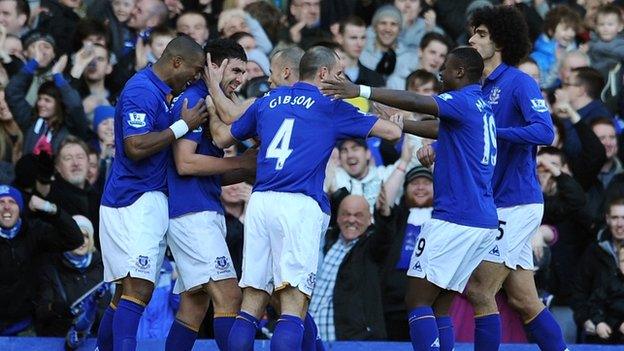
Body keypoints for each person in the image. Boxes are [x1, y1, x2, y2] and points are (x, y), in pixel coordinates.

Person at [207, 45, 401, 350]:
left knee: (252, 301)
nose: (343, 80)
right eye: (339, 74)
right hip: (299, 204)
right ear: (322, 73)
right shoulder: (330, 106)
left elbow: (225, 131)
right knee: (293, 305)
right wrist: (364, 99)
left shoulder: (268, 100)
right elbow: (392, 133)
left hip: (260, 201)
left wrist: (211, 93)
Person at [322, 45, 501, 351]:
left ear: (459, 72)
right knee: (440, 304)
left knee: (416, 299)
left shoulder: (460, 100)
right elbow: (439, 128)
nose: (440, 73)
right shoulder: (481, 105)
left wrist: (361, 90)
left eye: (445, 68)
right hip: (482, 219)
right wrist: (401, 125)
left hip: (455, 218)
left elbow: (419, 101)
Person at [95, 35, 208, 351]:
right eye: (195, 70)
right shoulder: (142, 90)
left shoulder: (156, 90)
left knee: (125, 293)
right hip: (135, 200)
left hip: (134, 199)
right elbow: (134, 146)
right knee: (140, 289)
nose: (196, 77)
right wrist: (182, 127)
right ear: (176, 62)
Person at [468, 6, 568, 351]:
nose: (472, 39)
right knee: (526, 301)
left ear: (500, 40)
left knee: (480, 290)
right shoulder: (478, 86)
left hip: (516, 202)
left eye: (481, 33)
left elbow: (544, 131)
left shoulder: (519, 81)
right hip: (493, 202)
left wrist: (495, 132)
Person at [164, 38, 256, 351]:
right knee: (230, 295)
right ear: (212, 66)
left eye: (244, 73)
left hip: (203, 207)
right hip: (191, 214)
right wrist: (239, 162)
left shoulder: (213, 101)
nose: (241, 79)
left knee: (194, 303)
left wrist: (246, 169)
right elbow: (185, 162)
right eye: (236, 70)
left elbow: (212, 171)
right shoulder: (194, 100)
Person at [0, 185, 84, 336]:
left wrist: (50, 209)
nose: (6, 207)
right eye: (1, 202)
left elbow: (75, 239)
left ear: (20, 208)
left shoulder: (35, 232)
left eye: (12, 202)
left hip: (25, 327)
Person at [310, 192, 395, 341]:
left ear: (370, 220)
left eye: (358, 215)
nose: (351, 220)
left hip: (353, 340)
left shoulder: (371, 248)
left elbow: (385, 237)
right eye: (346, 214)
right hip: (311, 339)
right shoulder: (325, 241)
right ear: (337, 217)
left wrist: (385, 216)